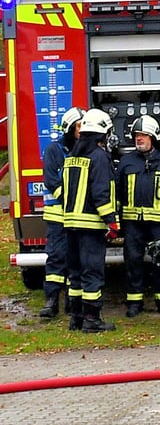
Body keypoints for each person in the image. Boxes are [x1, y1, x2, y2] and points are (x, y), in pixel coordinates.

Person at [62, 108, 119, 332]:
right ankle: (92, 320)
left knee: (75, 272)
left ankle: (75, 318)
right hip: (91, 226)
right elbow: (101, 193)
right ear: (101, 133)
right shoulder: (100, 157)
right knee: (92, 272)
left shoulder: (72, 157)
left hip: (70, 225)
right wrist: (111, 221)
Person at [116, 115, 160, 318]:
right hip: (133, 224)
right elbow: (117, 192)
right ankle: (134, 303)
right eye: (136, 135)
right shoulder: (126, 162)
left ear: (154, 137)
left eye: (143, 135)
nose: (139, 139)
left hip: (159, 223)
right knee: (133, 262)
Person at [38, 107, 84, 318]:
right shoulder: (54, 151)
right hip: (58, 217)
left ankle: (72, 303)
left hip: (79, 218)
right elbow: (51, 180)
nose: (82, 130)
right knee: (56, 258)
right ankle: (51, 301)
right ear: (69, 128)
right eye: (79, 126)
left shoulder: (84, 150)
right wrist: (71, 199)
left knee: (76, 260)